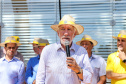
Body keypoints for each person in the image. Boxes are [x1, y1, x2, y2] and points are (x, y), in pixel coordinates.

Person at [36, 15, 93, 84]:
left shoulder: (81, 51)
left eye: (69, 29)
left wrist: (77, 69)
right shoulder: (47, 50)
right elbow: (40, 79)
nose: (66, 33)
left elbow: (89, 79)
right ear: (58, 33)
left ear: (74, 34)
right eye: (63, 29)